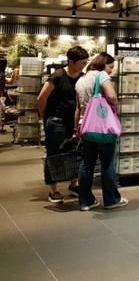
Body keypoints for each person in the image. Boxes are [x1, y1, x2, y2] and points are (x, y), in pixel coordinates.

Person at [76, 53, 127, 210]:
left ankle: (85, 201)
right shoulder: (101, 75)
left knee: (87, 163)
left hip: (86, 126)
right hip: (102, 127)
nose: (111, 70)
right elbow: (111, 95)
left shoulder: (81, 79)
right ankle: (111, 200)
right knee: (108, 163)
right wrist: (115, 103)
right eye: (110, 67)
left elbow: (78, 107)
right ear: (103, 65)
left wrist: (76, 127)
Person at [37, 46, 89, 203]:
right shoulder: (58, 76)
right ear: (71, 61)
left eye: (85, 63)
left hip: (73, 121)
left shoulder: (82, 77)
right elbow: (41, 98)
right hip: (56, 120)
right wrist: (44, 116)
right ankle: (53, 190)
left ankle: (74, 184)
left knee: (75, 152)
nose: (83, 66)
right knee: (54, 155)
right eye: (81, 63)